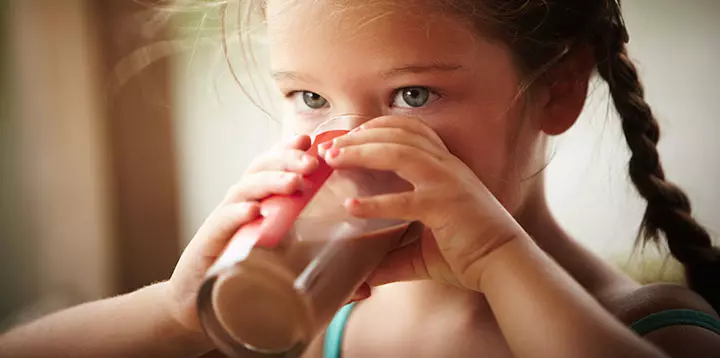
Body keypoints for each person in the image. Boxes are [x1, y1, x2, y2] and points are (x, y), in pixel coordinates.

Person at [1, 0, 719, 357]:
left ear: (560, 88)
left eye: (412, 96)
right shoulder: (331, 317)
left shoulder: (650, 328)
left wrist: (500, 260)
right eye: (310, 99)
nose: (347, 147)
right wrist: (175, 308)